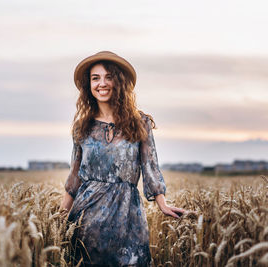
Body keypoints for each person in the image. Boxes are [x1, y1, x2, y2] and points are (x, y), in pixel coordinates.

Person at [60, 51, 185, 266]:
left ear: (119, 82)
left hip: (127, 216)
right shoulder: (82, 127)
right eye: (95, 78)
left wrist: (162, 204)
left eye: (109, 77)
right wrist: (59, 218)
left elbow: (150, 166)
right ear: (89, 85)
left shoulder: (140, 123)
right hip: (86, 218)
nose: (102, 84)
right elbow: (75, 176)